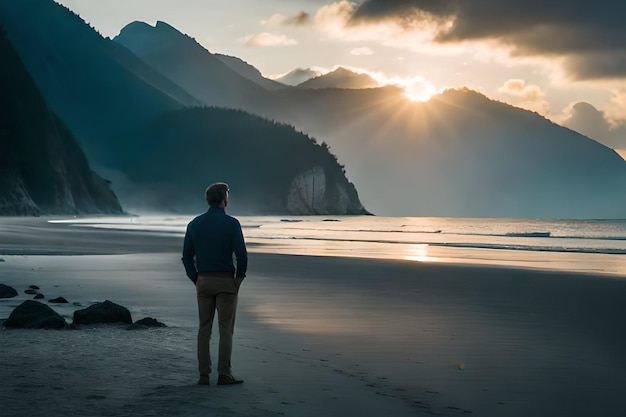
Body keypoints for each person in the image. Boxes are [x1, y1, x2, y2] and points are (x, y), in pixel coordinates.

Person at [182, 182, 248, 386]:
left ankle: (203, 375)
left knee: (204, 328)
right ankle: (224, 373)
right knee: (225, 329)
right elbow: (242, 256)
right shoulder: (232, 223)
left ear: (208, 200)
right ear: (224, 199)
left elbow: (186, 257)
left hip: (203, 280)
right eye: (227, 194)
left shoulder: (194, 223)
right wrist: (238, 279)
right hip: (226, 281)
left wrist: (196, 278)